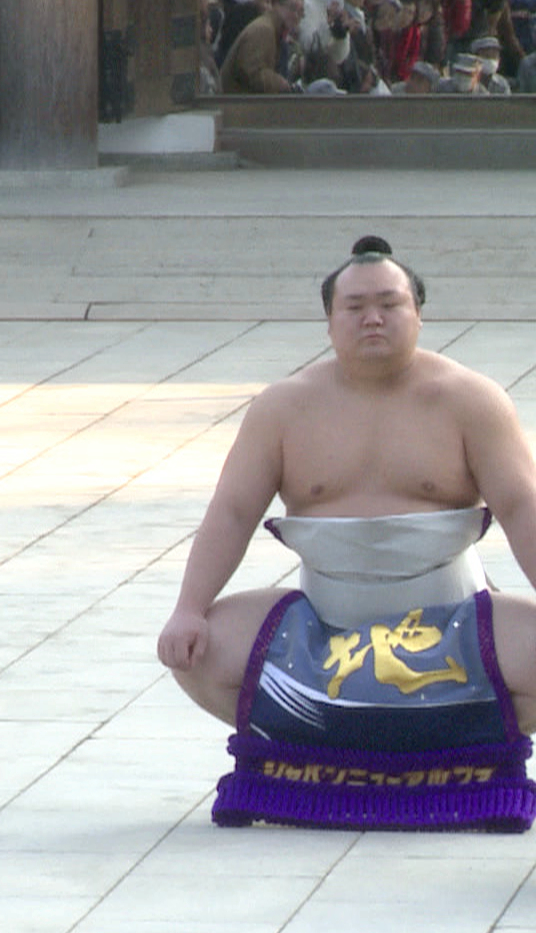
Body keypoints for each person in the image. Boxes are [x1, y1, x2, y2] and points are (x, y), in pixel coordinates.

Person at [158, 236, 536, 749]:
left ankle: (451, 743)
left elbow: (521, 506)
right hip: (323, 621)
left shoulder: (472, 399)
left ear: (419, 314)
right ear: (330, 322)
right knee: (199, 653)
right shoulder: (284, 407)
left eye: (389, 304)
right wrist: (189, 607)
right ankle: (324, 744)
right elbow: (231, 512)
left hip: (452, 617)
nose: (372, 318)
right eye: (354, 307)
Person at [222, 0, 305, 91]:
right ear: (275, 4)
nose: (296, 16)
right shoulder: (264, 29)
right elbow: (252, 73)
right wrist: (282, 83)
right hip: (235, 103)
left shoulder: (274, 31)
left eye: (300, 12)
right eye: (292, 8)